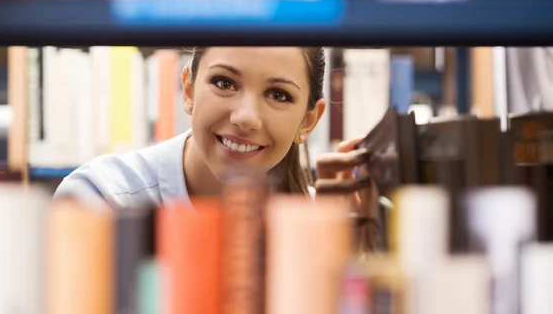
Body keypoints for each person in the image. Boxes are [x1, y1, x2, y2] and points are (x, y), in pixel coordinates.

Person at [54, 46, 369, 209]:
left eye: (278, 95)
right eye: (224, 82)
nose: (245, 118)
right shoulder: (101, 199)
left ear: (308, 121)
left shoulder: (315, 221)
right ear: (188, 89)